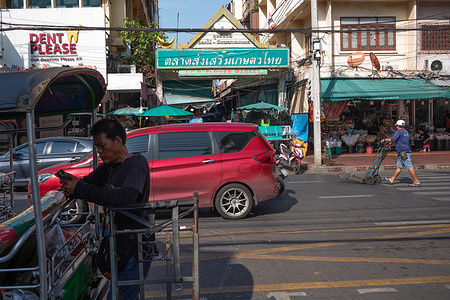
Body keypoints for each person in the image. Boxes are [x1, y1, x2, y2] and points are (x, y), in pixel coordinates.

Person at [60, 118, 151, 299]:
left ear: (118, 141)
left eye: (102, 146)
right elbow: (87, 184)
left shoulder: (137, 163)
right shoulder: (108, 168)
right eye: (97, 147)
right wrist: (71, 185)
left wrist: (81, 188)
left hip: (133, 246)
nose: (99, 151)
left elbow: (126, 197)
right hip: (116, 245)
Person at [381, 120, 421, 187]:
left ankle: (416, 181)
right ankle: (392, 179)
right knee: (399, 166)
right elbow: (402, 139)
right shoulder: (405, 131)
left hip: (403, 152)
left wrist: (384, 140)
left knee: (409, 166)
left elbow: (393, 139)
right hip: (403, 152)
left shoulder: (398, 131)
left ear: (397, 126)